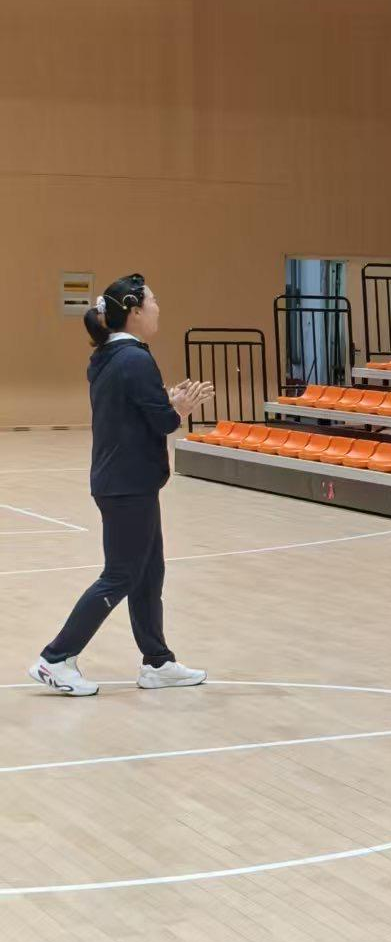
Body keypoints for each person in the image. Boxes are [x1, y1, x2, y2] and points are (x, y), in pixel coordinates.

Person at [30, 274, 213, 696]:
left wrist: (165, 402)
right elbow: (162, 422)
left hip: (125, 481)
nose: (158, 307)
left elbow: (137, 411)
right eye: (153, 300)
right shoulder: (135, 359)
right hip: (128, 484)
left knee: (148, 574)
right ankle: (55, 658)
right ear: (133, 311)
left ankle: (158, 662)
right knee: (120, 576)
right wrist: (178, 408)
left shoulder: (110, 356)